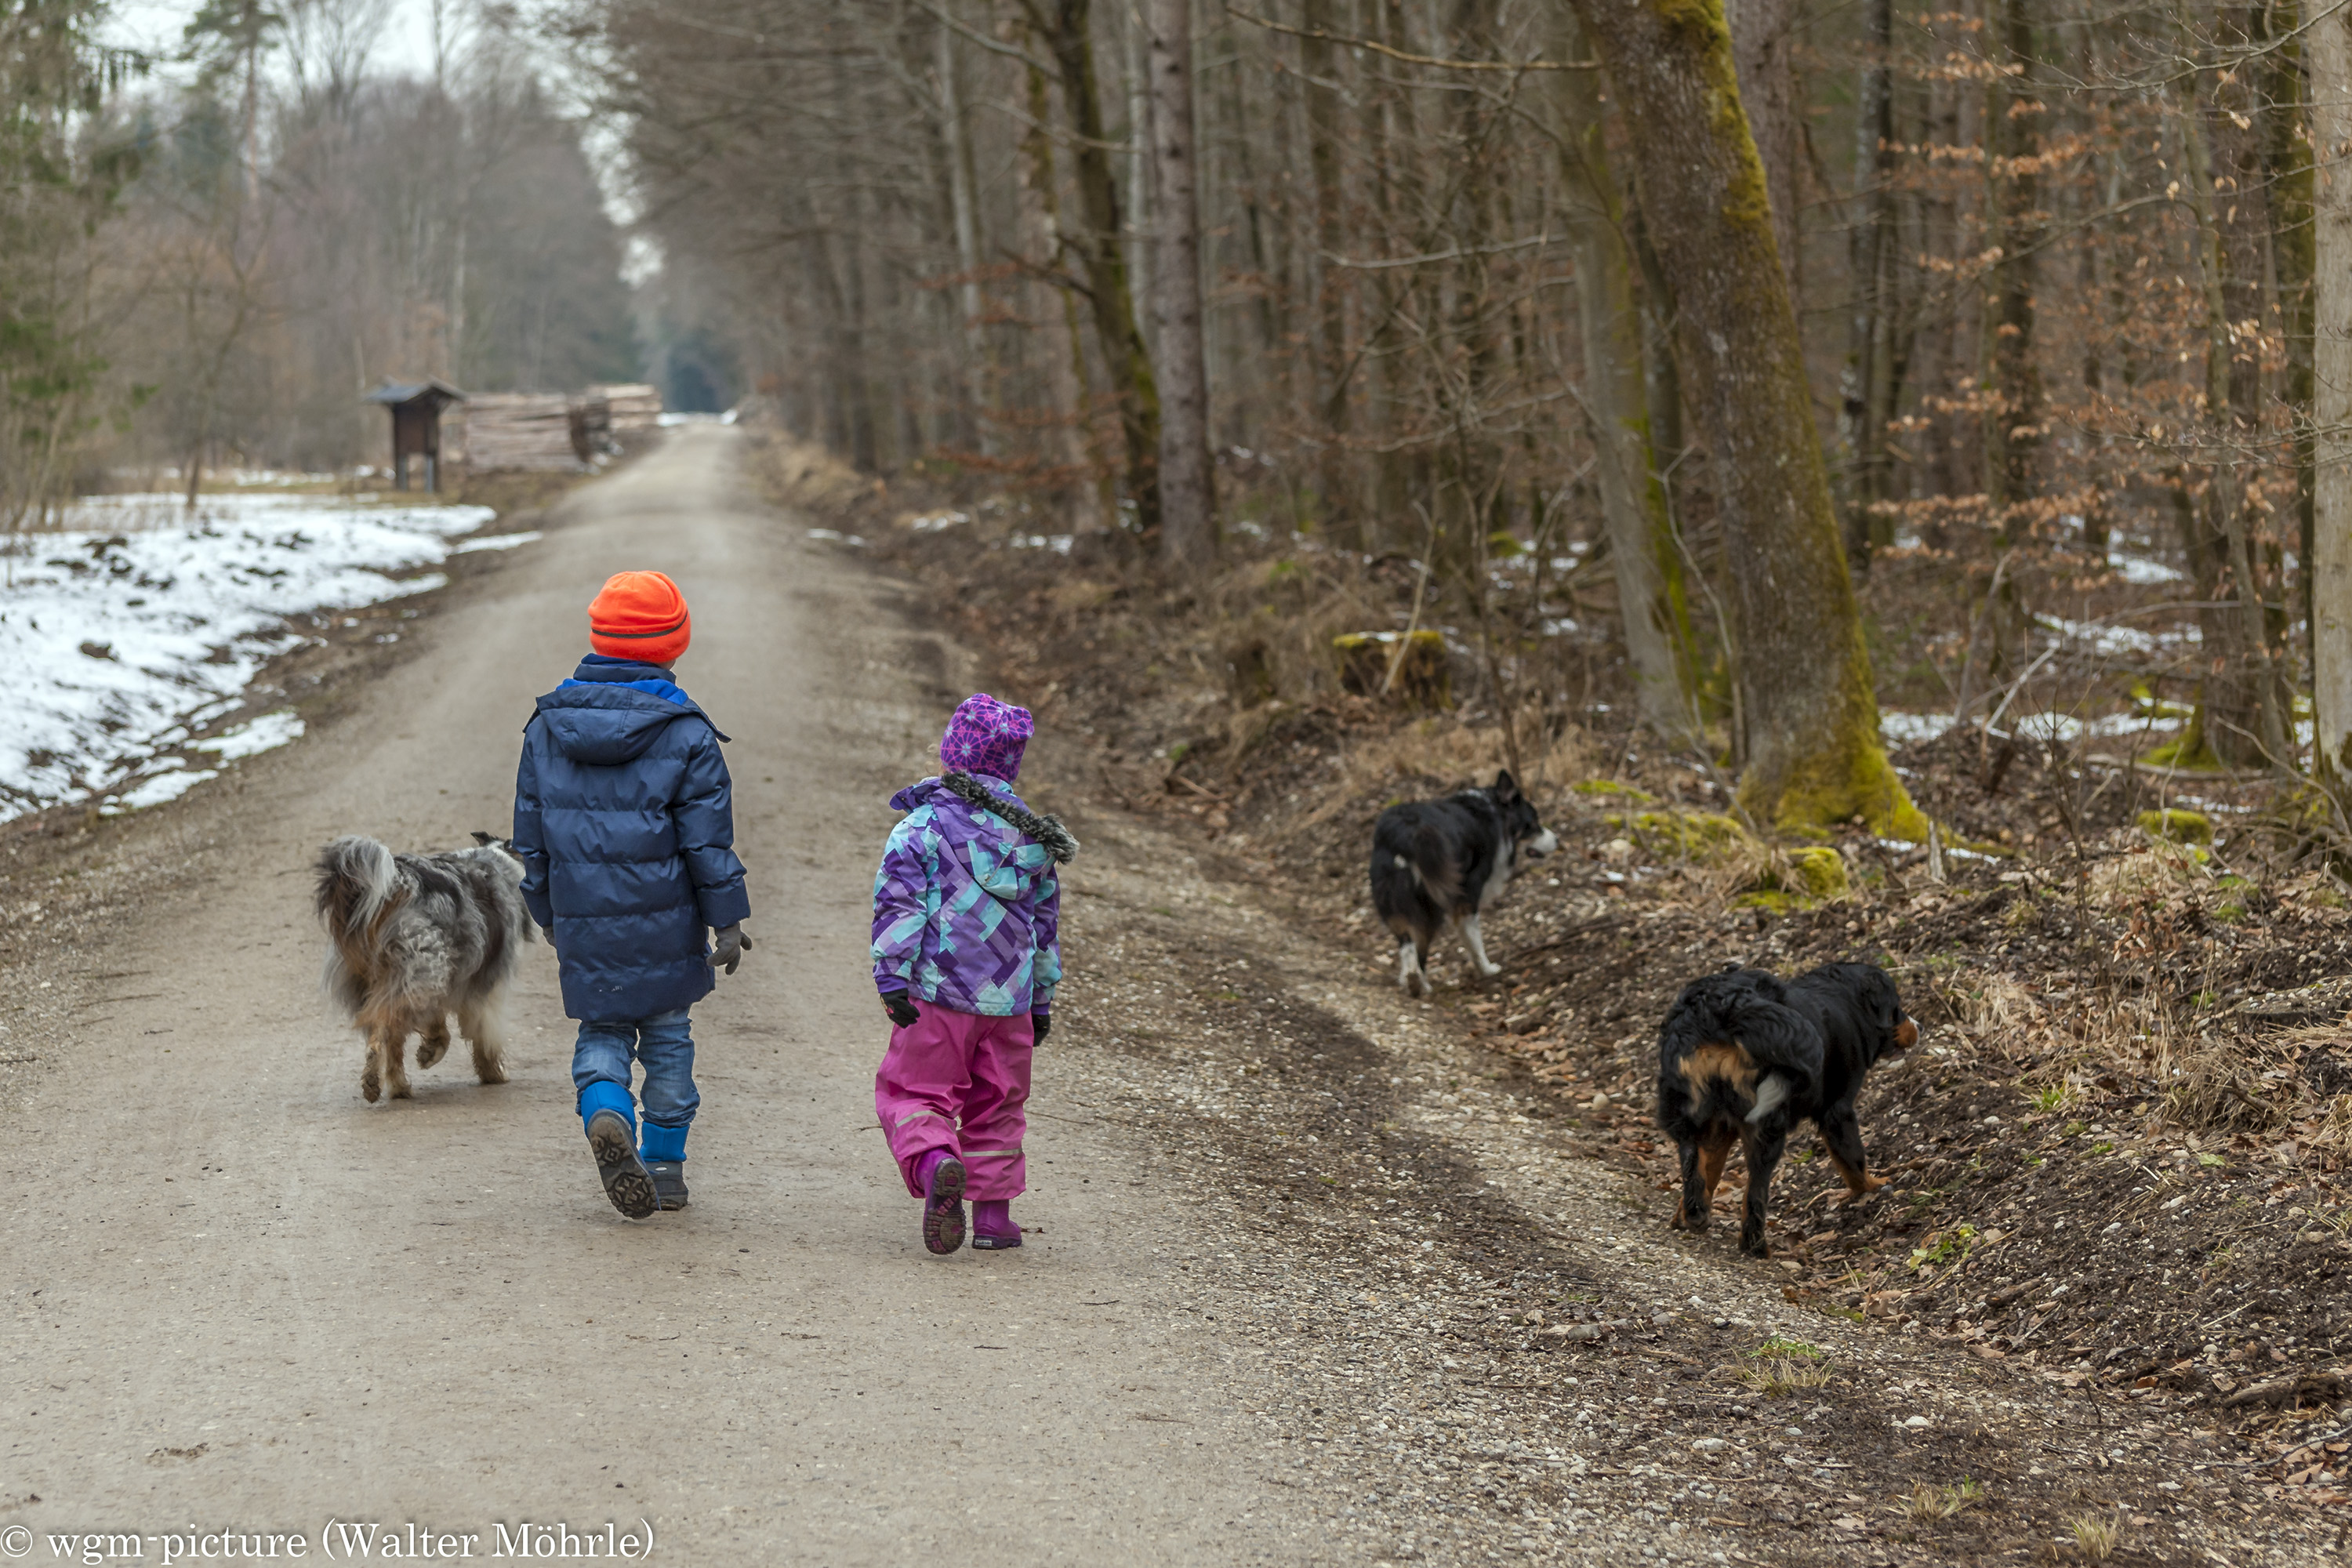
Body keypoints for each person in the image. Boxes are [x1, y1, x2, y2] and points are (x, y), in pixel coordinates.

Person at [514, 570, 752, 1219]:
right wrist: (727, 920)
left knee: (603, 1029)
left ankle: (607, 1109)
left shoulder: (546, 727)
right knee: (668, 1038)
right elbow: (707, 844)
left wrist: (547, 912)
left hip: (583, 919)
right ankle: (665, 1168)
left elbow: (530, 837)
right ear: (674, 645)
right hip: (667, 925)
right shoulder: (687, 732)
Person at [870, 694, 1076, 1254]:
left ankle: (936, 1160)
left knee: (914, 1090)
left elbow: (900, 905)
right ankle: (993, 1220)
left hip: (938, 996)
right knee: (999, 1104)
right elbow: (1044, 929)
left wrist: (892, 976)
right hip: (1009, 1003)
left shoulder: (923, 827)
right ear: (1012, 766)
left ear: (951, 753)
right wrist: (1041, 1000)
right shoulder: (1032, 841)